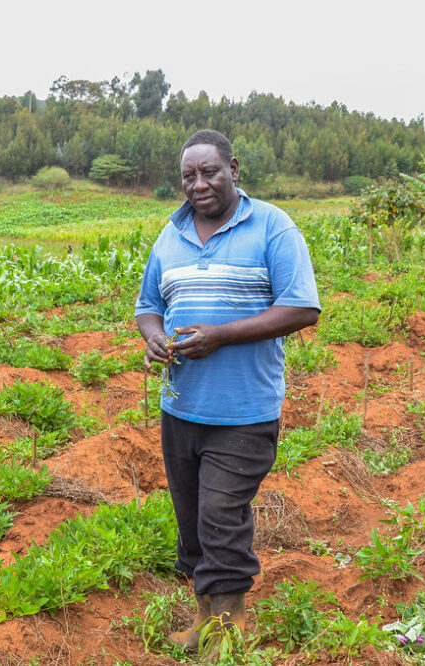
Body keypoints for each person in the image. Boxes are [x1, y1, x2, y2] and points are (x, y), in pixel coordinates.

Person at [134, 129, 320, 650]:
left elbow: (303, 307)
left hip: (244, 411)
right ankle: (202, 621)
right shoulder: (170, 236)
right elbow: (149, 306)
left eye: (209, 172)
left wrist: (222, 336)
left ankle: (231, 628)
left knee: (221, 515)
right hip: (181, 408)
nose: (198, 184)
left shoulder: (272, 227)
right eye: (188, 176)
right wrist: (154, 339)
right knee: (192, 520)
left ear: (233, 168)